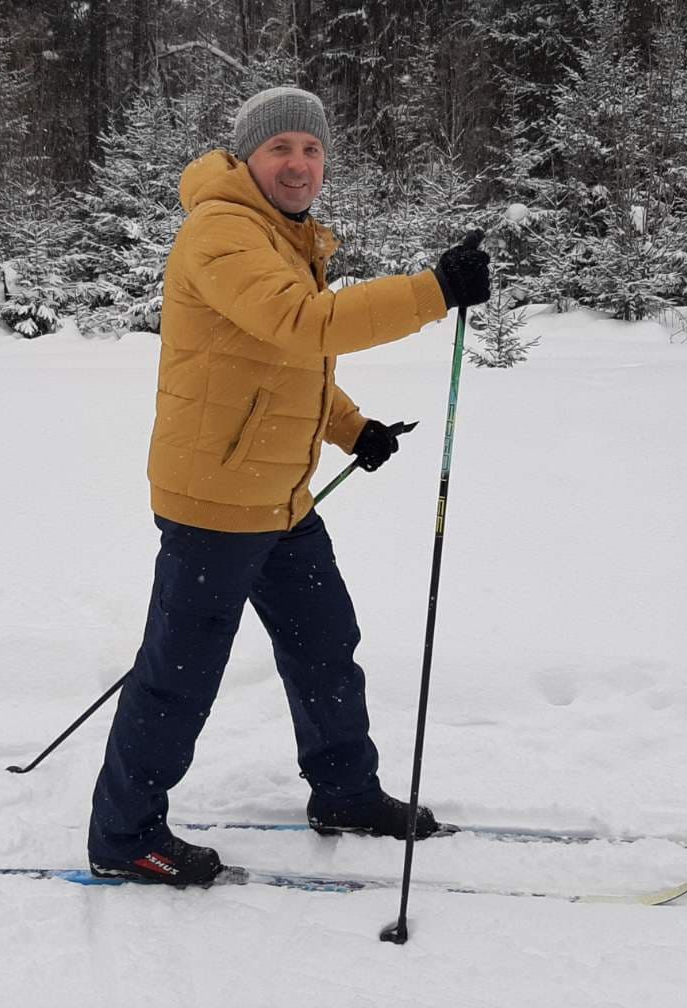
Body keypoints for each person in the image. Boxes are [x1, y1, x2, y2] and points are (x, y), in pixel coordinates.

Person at [87, 86, 492, 885]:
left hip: (280, 497)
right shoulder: (223, 233)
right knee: (179, 676)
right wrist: (433, 291)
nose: (300, 163)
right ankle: (124, 837)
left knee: (324, 648)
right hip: (216, 501)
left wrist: (352, 429)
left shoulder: (286, 235)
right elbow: (306, 324)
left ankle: (343, 791)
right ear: (247, 158)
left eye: (311, 149)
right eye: (281, 149)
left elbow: (282, 363)